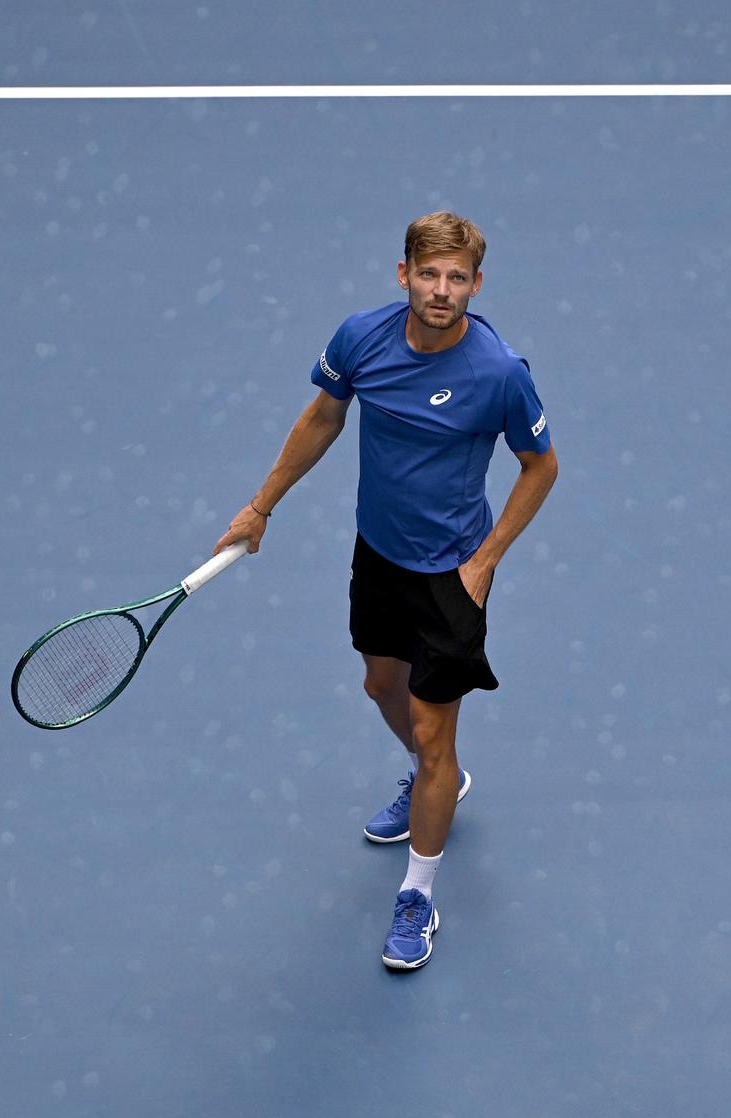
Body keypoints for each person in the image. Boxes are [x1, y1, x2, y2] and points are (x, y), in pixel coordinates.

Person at [213, 211, 558, 972]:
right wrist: (261, 504)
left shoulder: (499, 373)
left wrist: (485, 561)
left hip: (451, 576)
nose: (442, 291)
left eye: (457, 278)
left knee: (437, 735)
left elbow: (542, 468)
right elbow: (323, 417)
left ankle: (419, 892)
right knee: (379, 685)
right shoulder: (360, 339)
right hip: (379, 555)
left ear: (476, 283)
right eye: (429, 275)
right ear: (403, 274)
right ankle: (437, 778)